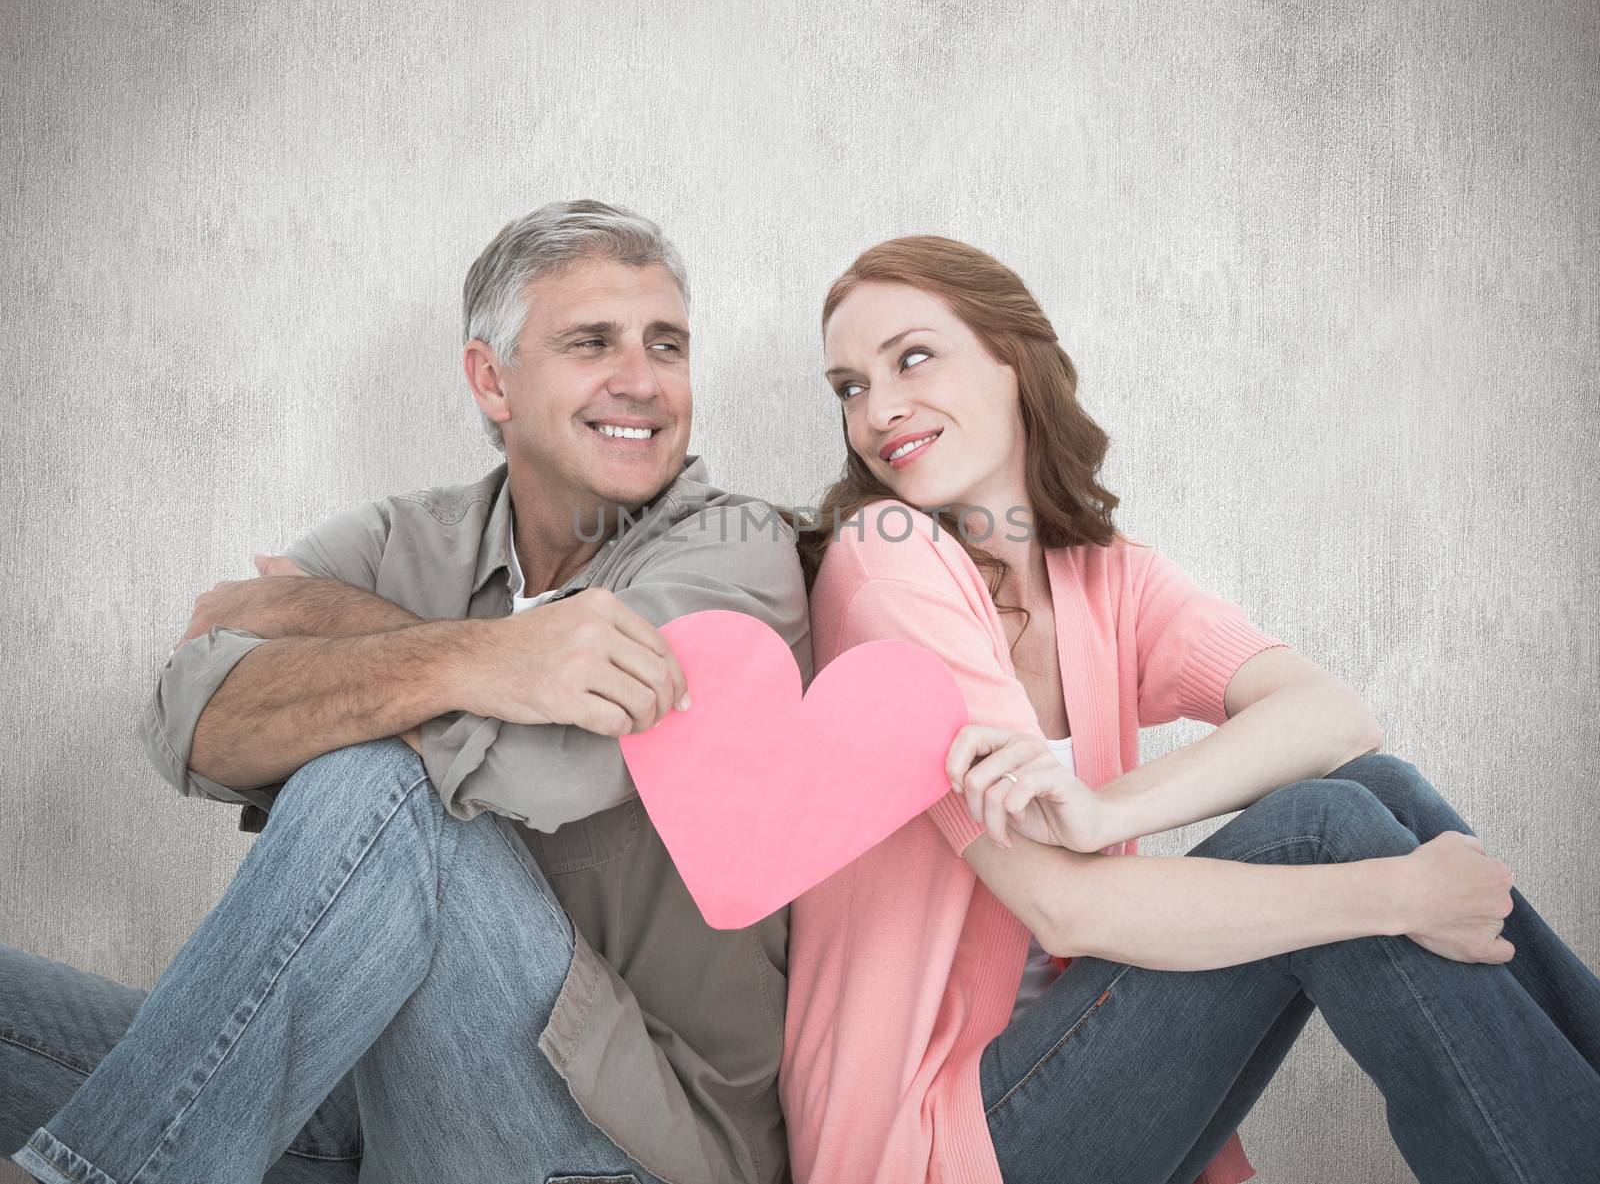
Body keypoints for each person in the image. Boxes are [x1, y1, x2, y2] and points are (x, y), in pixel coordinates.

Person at [2, 199, 810, 1184]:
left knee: (378, 785)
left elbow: (562, 766)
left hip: (625, 1145)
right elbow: (193, 718)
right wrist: (480, 660)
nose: (642, 381)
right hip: (398, 1105)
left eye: (668, 345)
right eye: (593, 342)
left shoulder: (736, 555)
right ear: (491, 377)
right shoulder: (401, 541)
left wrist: (341, 644)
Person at [777, 235, 1600, 1184]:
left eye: (911, 357)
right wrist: (1399, 897)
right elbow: (1066, 904)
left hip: (1063, 1091)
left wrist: (1114, 807)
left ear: (1014, 358)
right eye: (847, 386)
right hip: (928, 1148)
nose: (877, 411)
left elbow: (1334, 717)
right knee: (1325, 827)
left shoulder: (1103, 578)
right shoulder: (885, 559)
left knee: (1378, 789)